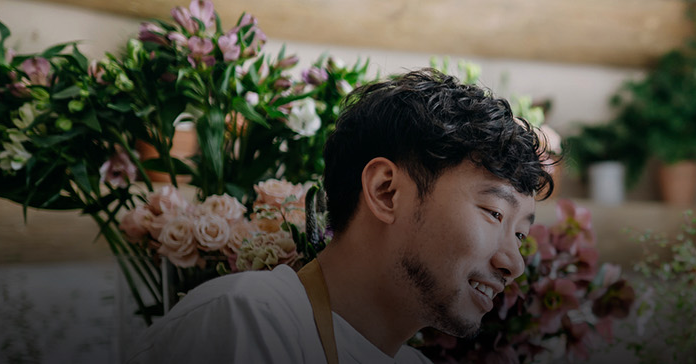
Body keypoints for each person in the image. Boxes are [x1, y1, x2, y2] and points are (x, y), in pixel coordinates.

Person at [127, 68, 553, 364]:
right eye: (495, 213)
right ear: (386, 191)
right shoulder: (248, 321)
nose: (512, 263)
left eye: (519, 236)